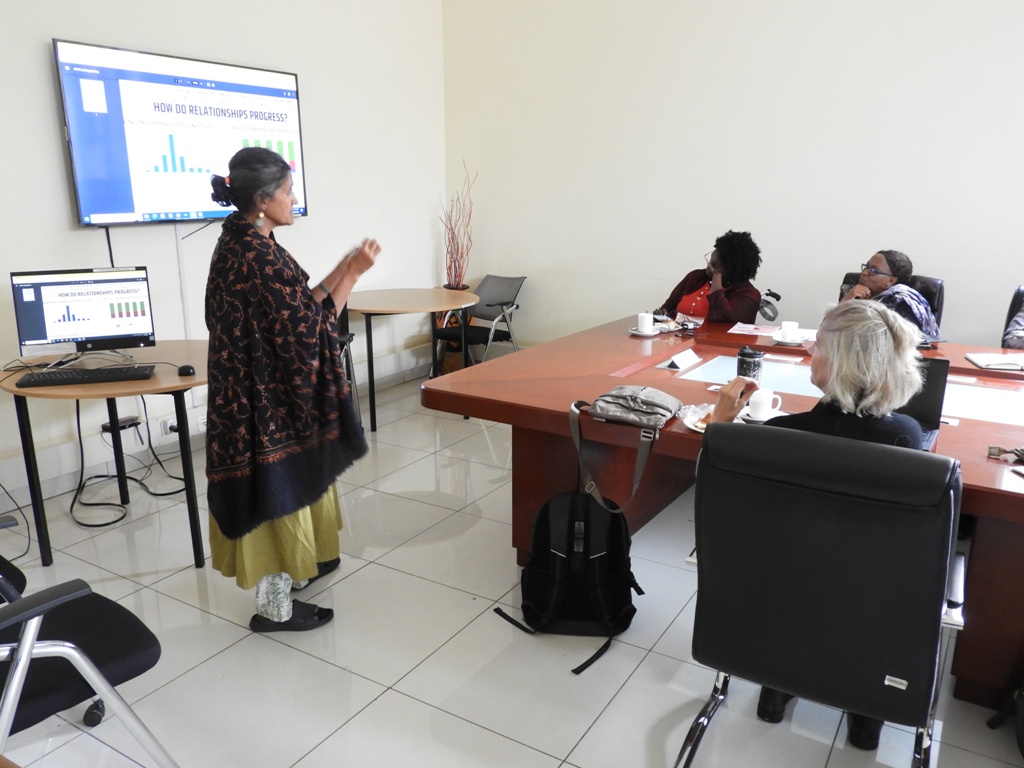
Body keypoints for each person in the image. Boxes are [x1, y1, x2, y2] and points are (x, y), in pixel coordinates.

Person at [710, 300, 925, 750]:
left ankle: (776, 690)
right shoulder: (907, 436)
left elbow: (721, 501)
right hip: (872, 600)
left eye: (819, 344)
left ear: (843, 360)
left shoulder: (781, 434)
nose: (809, 349)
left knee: (800, 574)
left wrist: (720, 424)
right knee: (849, 582)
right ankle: (865, 719)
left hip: (783, 587)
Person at [205, 146, 380, 632]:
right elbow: (315, 328)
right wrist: (354, 273)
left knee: (296, 481)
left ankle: (303, 566)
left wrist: (344, 267)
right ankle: (274, 609)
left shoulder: (244, 239)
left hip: (259, 392)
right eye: (288, 191)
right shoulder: (254, 256)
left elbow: (302, 302)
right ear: (263, 200)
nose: (294, 198)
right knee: (274, 492)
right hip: (260, 405)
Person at [653, 230, 762, 324]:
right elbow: (667, 308)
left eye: (715, 265)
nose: (708, 265)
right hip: (678, 338)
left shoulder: (748, 295)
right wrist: (661, 314)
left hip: (713, 342)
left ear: (733, 271)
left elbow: (721, 318)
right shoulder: (695, 277)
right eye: (710, 260)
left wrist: (716, 277)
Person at [839, 250, 940, 340]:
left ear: (891, 281)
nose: (865, 272)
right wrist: (846, 301)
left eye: (874, 271)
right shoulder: (854, 293)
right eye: (866, 267)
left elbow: (882, 341)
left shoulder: (902, 301)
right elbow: (832, 331)